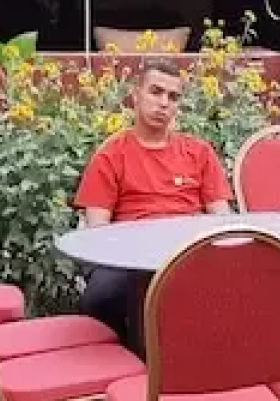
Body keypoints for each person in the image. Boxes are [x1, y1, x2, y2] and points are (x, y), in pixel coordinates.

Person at [74, 61, 232, 351]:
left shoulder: (199, 152)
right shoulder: (111, 155)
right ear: (136, 96)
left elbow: (222, 219)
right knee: (102, 296)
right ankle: (133, 360)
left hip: (189, 253)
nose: (164, 103)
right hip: (130, 258)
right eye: (156, 92)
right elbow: (97, 233)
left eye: (173, 97)